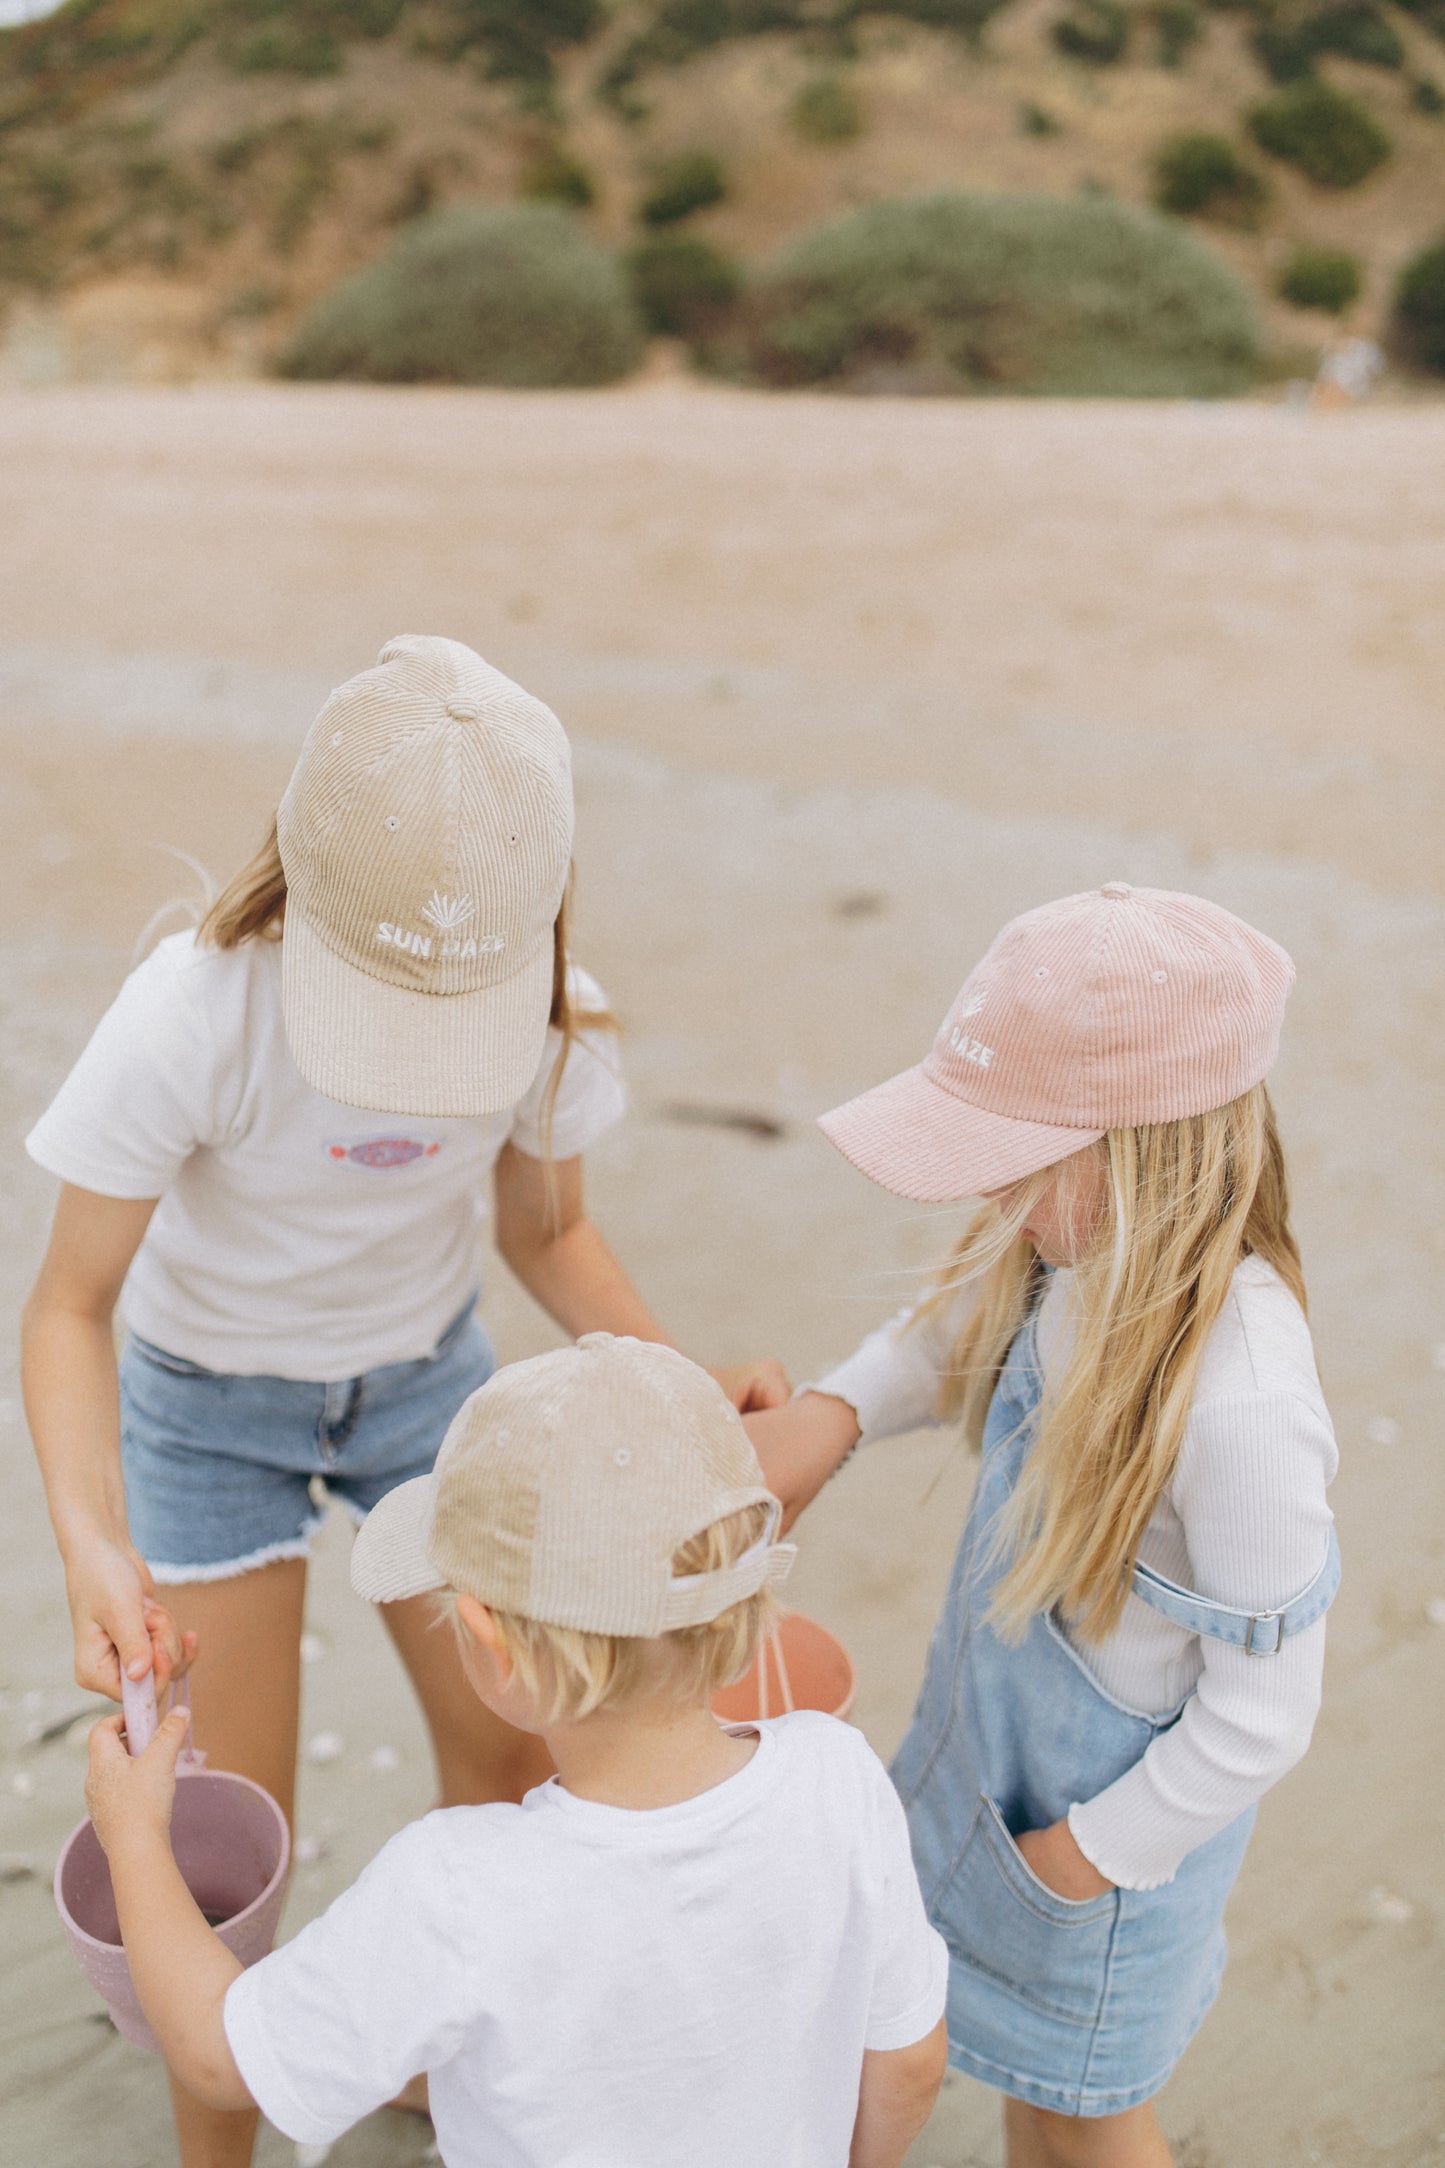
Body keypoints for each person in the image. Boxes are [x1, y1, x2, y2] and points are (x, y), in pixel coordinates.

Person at [22, 635, 786, 2168]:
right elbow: (68, 1306)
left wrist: (685, 1389)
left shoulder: (556, 1019)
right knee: (222, 1839)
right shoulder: (193, 1013)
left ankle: (456, 2082)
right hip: (203, 1410)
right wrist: (93, 1547)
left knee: (515, 1756)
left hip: (427, 1388)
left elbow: (547, 1234)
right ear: (299, 878)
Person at [745, 883, 1340, 2168]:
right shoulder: (1065, 1246)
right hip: (990, 1764)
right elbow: (952, 1326)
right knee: (1030, 2086)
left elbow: (1263, 1711)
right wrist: (830, 1413)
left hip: (1109, 1853)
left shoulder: (1242, 1400)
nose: (984, 1185)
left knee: (1081, 2118)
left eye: (1007, 1150)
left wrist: (1084, 1855)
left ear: (1143, 1149)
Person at [83, 1334, 949, 2168]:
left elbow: (215, 2056)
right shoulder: (839, 1777)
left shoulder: (455, 1889)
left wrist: (134, 1835)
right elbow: (908, 2063)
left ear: (490, 1647)